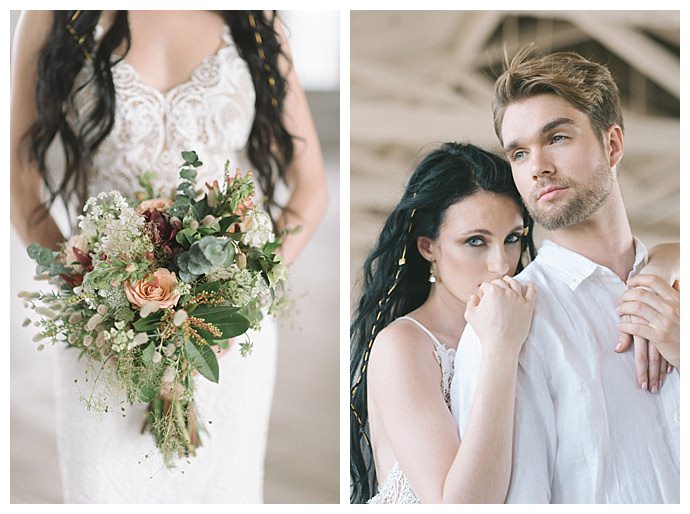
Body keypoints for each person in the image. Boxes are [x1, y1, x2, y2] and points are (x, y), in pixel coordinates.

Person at [11, 10, 328, 503]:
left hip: (228, 329)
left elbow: (310, 187)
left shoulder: (254, 15)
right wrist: (94, 294)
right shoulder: (55, 14)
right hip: (102, 329)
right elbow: (20, 184)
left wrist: (238, 298)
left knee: (223, 492)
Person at [450, 47, 679, 503]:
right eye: (518, 153)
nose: (538, 167)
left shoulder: (677, 287)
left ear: (612, 145)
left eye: (556, 138)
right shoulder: (510, 327)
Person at [350, 142, 538, 504]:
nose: (501, 264)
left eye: (512, 238)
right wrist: (501, 349)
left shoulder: (523, 322)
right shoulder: (404, 346)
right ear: (427, 248)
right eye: (475, 241)